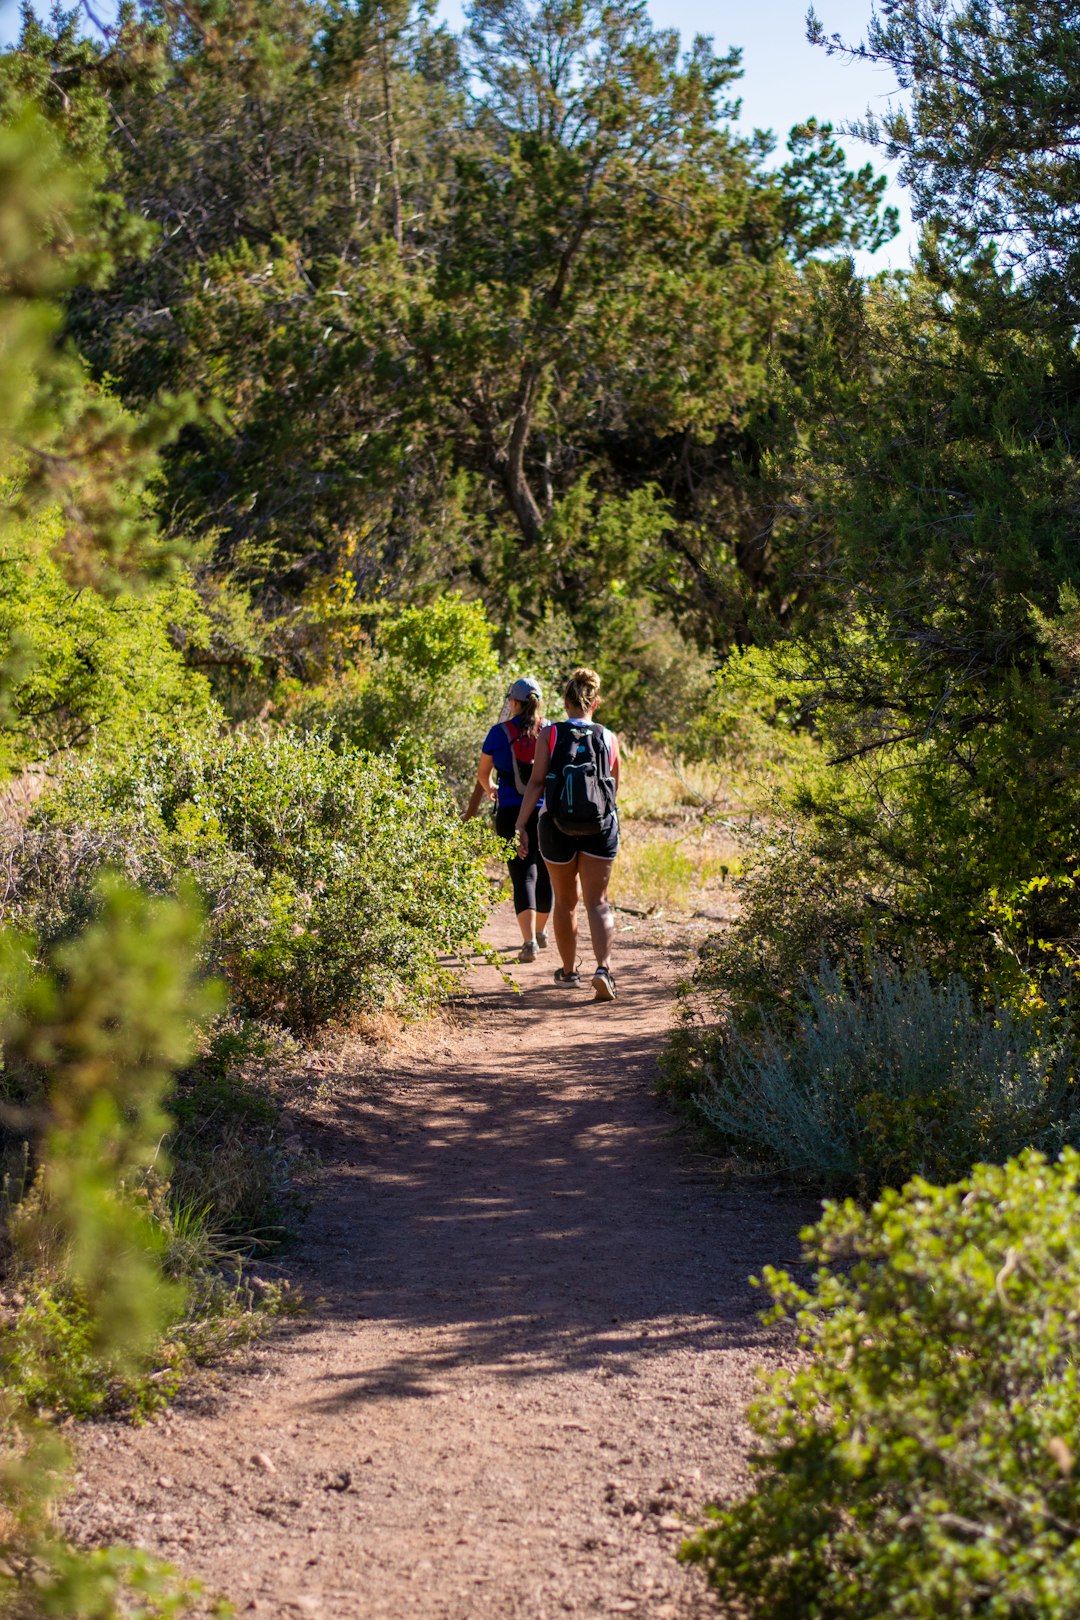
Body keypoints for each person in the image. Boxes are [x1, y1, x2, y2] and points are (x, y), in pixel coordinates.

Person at [514, 667, 620, 1002]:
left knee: (566, 902)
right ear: (595, 702)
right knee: (598, 903)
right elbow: (613, 789)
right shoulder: (608, 737)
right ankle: (603, 969)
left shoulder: (551, 734)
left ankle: (570, 971)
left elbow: (536, 782)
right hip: (600, 827)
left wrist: (520, 825)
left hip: (556, 826)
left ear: (565, 701)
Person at [463, 675, 553, 964]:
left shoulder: (498, 733)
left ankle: (528, 942)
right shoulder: (550, 731)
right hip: (544, 811)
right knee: (546, 872)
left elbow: (483, 774)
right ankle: (540, 932)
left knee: (522, 874)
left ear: (513, 702)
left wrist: (491, 789)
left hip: (510, 811)